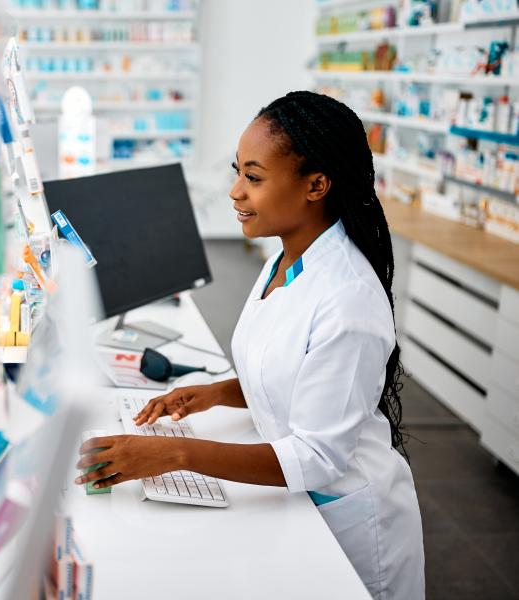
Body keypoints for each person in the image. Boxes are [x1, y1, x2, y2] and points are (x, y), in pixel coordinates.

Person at [75, 91, 424, 599]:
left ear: (316, 185)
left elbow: (317, 457)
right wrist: (215, 393)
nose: (235, 192)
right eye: (238, 172)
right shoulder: (287, 257)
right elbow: (289, 368)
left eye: (254, 179)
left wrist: (171, 457)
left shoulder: (349, 299)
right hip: (296, 506)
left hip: (347, 519)